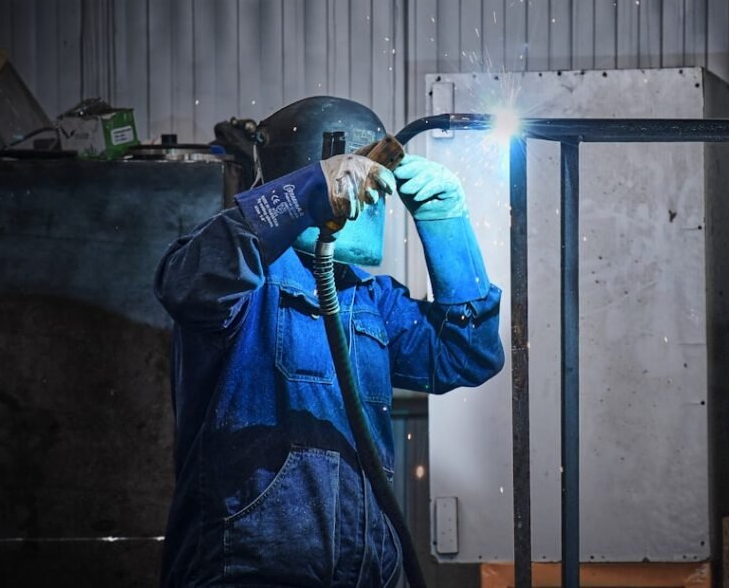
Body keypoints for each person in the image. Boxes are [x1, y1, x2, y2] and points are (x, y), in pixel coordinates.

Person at [154, 96, 504, 587]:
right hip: (250, 570)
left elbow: (466, 357)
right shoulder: (245, 282)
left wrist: (448, 226)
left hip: (369, 568)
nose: (375, 200)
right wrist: (308, 192)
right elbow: (186, 283)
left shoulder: (368, 298)